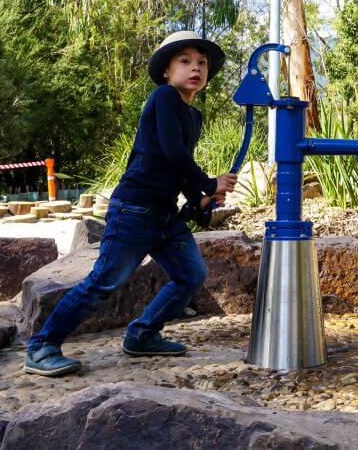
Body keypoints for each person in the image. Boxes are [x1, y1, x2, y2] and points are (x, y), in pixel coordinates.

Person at [24, 31, 238, 377]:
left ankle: (142, 334)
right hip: (134, 209)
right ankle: (41, 346)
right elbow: (172, 149)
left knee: (190, 274)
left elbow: (176, 166)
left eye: (202, 63)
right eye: (185, 61)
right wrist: (208, 182)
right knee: (105, 281)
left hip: (165, 214)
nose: (195, 68)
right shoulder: (164, 97)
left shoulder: (193, 116)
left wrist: (200, 197)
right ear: (167, 71)